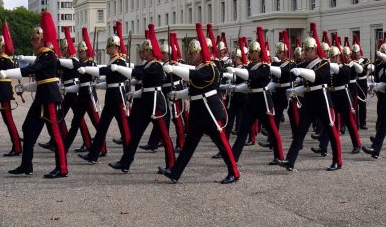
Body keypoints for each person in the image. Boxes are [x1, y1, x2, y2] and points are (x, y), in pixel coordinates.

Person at [160, 27, 240, 184]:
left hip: (209, 111)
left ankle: (234, 172)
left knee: (222, 144)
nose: (189, 56)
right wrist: (178, 95)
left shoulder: (210, 68)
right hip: (198, 112)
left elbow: (194, 76)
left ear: (199, 53)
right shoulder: (200, 67)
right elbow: (192, 90)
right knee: (189, 145)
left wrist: (174, 68)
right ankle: (175, 173)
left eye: (192, 53)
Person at [5, 13, 69, 178]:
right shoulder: (42, 56)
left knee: (55, 133)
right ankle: (26, 165)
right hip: (42, 97)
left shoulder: (49, 55)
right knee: (27, 128)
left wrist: (8, 72)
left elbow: (31, 70)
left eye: (34, 39)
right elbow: (41, 81)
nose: (32, 42)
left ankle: (62, 168)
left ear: (41, 40)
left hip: (49, 98)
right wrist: (25, 87)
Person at [107, 29, 175, 174]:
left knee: (164, 137)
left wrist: (119, 67)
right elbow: (140, 75)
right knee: (135, 135)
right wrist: (134, 93)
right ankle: (125, 163)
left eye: (143, 51)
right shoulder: (148, 64)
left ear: (149, 51)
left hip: (156, 105)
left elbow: (139, 74)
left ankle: (171, 165)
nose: (141, 54)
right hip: (146, 103)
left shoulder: (156, 66)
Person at [282, 36, 343, 171]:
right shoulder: (304, 64)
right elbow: (304, 83)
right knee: (300, 131)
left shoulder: (324, 63)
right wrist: (294, 90)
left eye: (307, 50)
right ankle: (290, 161)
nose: (304, 52)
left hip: (322, 98)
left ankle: (337, 161)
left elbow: (315, 77)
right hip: (309, 99)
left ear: (314, 50)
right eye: (304, 50)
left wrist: (301, 71)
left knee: (331, 130)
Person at [227, 37, 285, 166]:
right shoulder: (250, 66)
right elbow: (248, 84)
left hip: (263, 101)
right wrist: (234, 87)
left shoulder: (264, 66)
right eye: (250, 52)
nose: (250, 54)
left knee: (272, 130)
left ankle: (279, 156)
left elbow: (251, 76)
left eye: (252, 52)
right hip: (251, 101)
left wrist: (236, 70)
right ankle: (233, 158)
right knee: (242, 131)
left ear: (258, 52)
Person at [77, 34, 131, 165]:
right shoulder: (113, 61)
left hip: (118, 97)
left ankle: (127, 159)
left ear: (116, 47)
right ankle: (93, 155)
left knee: (124, 129)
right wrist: (97, 83)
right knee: (101, 128)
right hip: (111, 97)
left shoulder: (120, 62)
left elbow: (104, 71)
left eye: (110, 46)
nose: (107, 48)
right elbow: (108, 78)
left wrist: (87, 69)